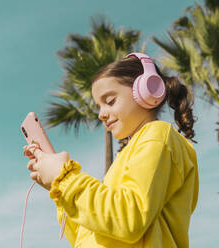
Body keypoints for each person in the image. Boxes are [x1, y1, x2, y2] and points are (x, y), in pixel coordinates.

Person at [23, 52, 199, 248]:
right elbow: (89, 235)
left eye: (110, 101)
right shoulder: (129, 154)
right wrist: (59, 187)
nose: (101, 114)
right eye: (99, 106)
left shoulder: (157, 135)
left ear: (148, 91)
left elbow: (129, 220)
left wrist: (65, 179)